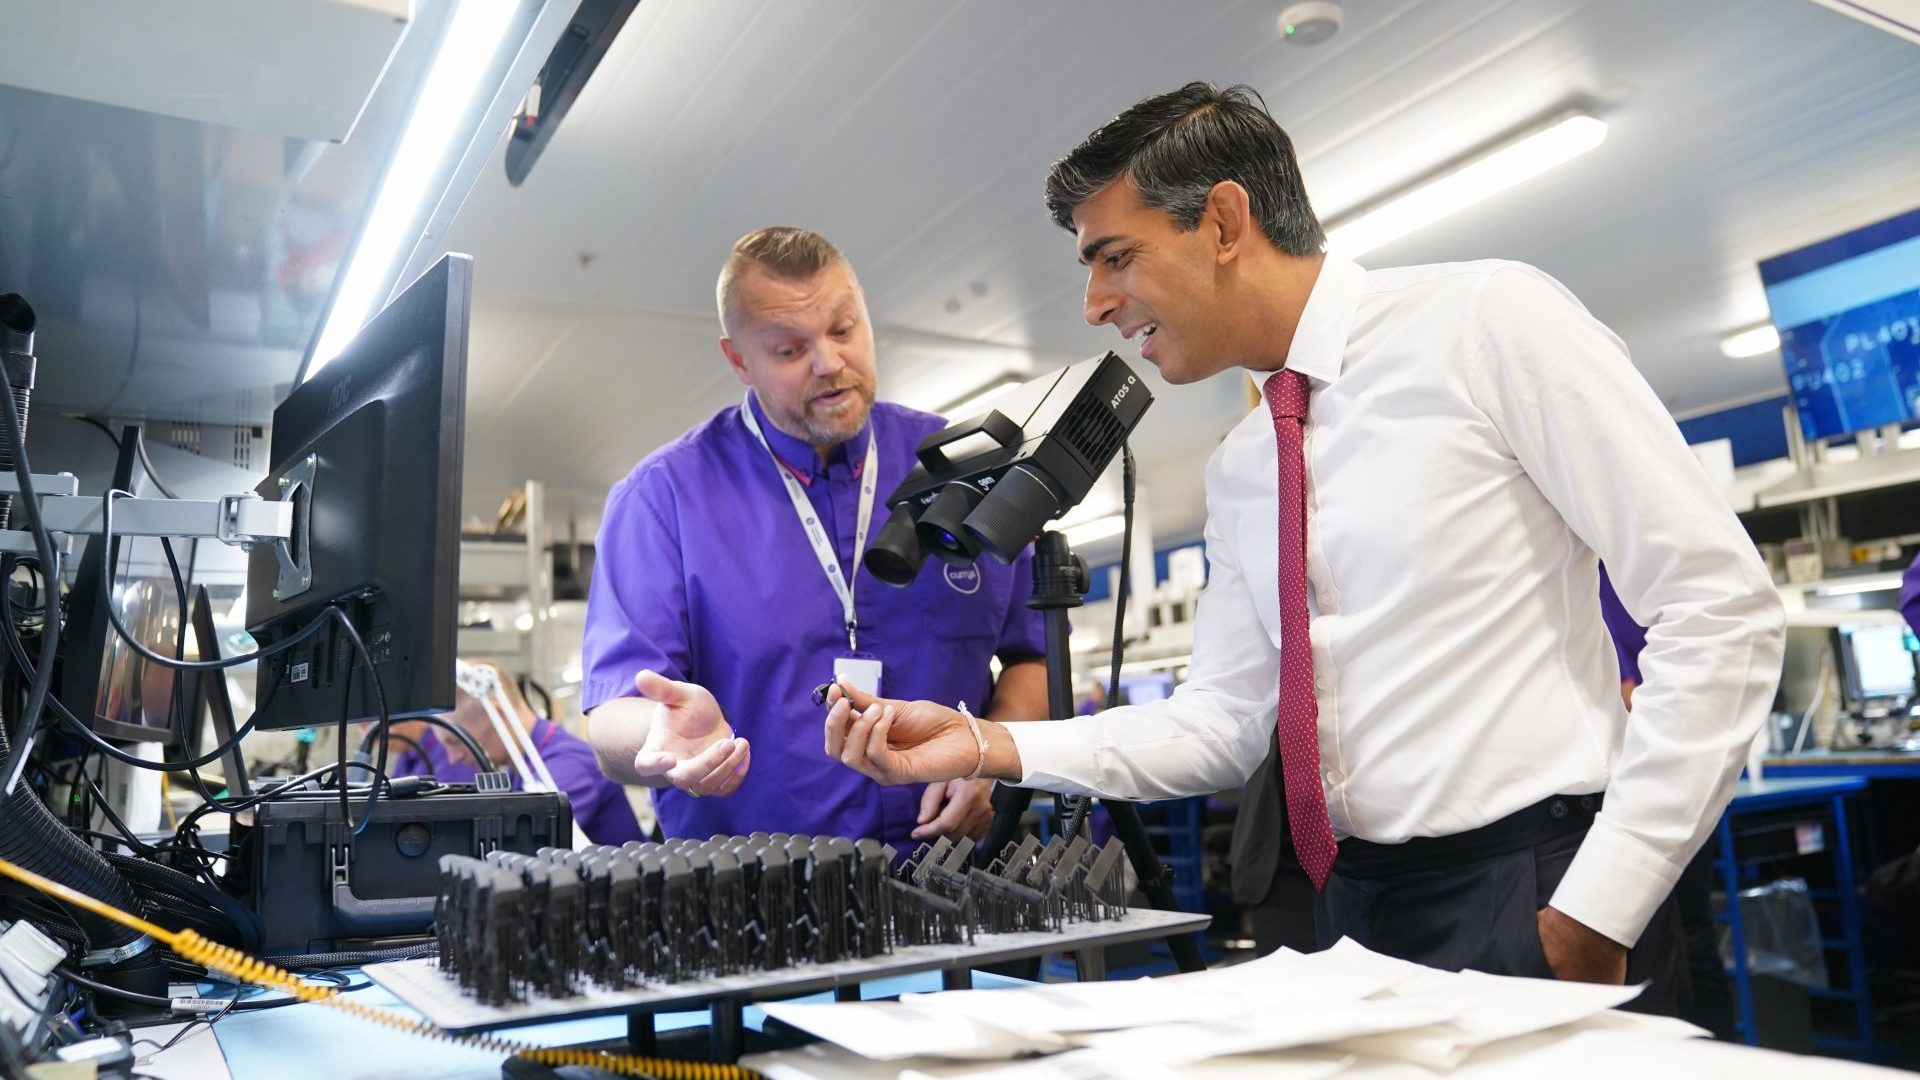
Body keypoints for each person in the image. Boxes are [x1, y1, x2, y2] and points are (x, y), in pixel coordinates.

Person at [822, 83, 1785, 1012]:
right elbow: (1225, 723)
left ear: (1226, 223)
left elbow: (1719, 607)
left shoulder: (1487, 323)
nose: (1094, 303)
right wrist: (988, 743)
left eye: (1113, 256)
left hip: (1539, 887)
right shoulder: (1245, 463)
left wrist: (1599, 906)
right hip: (1354, 910)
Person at [582, 227, 1047, 853]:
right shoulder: (661, 500)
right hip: (749, 892)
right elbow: (612, 712)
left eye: (844, 329)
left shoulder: (965, 466)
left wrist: (993, 753)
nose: (829, 363)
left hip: (957, 873)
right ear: (739, 360)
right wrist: (659, 737)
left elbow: (1037, 656)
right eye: (788, 349)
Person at [385, 659, 645, 845]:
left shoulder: (565, 767)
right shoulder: (523, 768)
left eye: (456, 741)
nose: (453, 758)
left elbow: (524, 855)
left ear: (496, 714)